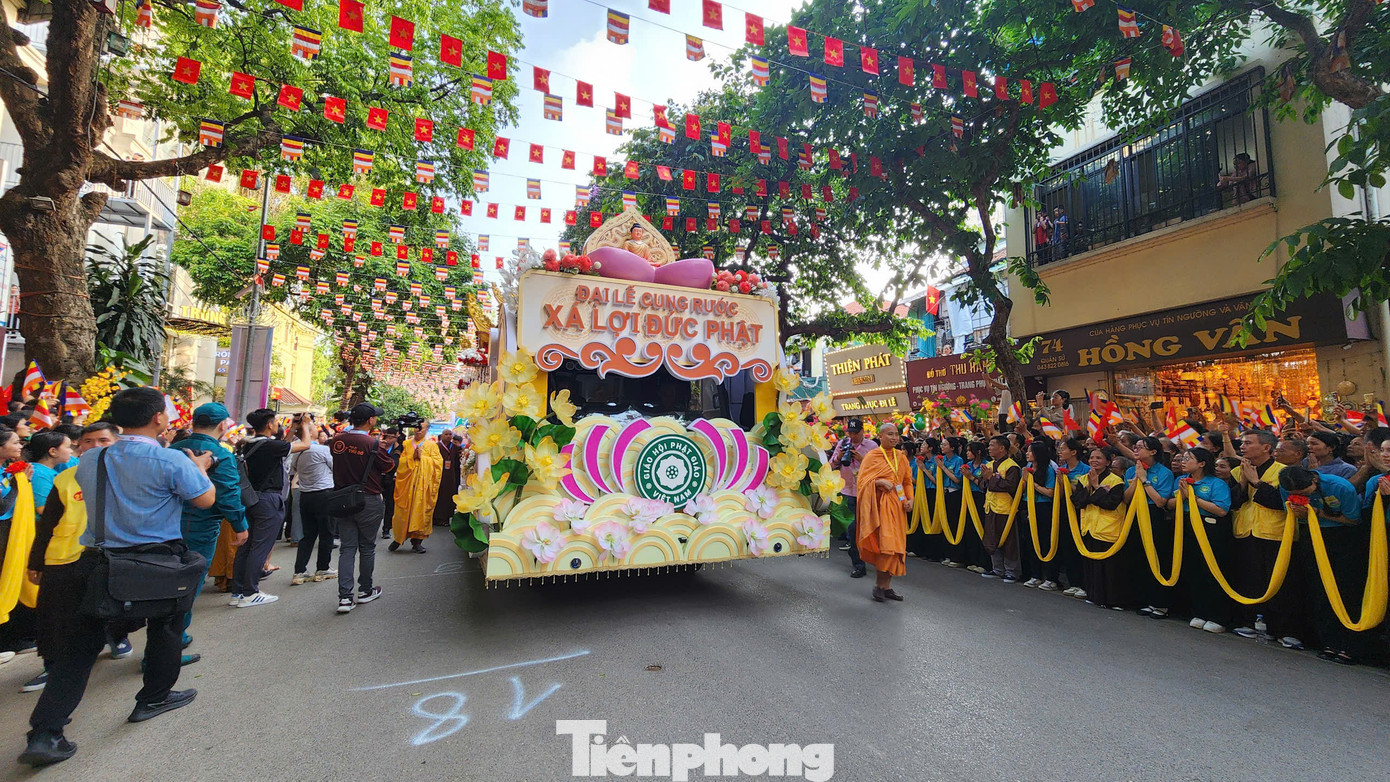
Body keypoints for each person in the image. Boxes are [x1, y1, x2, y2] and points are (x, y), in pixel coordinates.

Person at [20, 387, 215, 767]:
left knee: (79, 649)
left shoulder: (92, 459)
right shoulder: (172, 460)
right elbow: (205, 500)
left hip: (97, 563)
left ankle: (46, 733)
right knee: (167, 627)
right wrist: (199, 469)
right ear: (159, 418)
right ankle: (154, 697)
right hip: (156, 564)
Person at [25, 424, 125, 696]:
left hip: (111, 557)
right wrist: (36, 562)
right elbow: (47, 525)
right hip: (63, 557)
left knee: (110, 608)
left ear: (117, 443)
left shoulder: (130, 476)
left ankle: (117, 638)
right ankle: (52, 665)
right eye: (87, 441)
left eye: (103, 440)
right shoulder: (66, 479)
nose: (94, 446)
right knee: (53, 616)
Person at [168, 404, 248, 646]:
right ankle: (173, 641)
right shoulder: (221, 454)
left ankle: (166, 640)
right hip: (200, 526)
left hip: (165, 525)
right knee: (189, 584)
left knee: (167, 583)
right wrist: (240, 525)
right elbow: (229, 495)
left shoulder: (173, 449)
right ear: (223, 425)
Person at [1280, 465, 1367, 664]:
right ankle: (1328, 642)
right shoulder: (1286, 487)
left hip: (1343, 537)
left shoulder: (1339, 487)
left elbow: (1353, 520)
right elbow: (1289, 510)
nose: (1299, 495)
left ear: (1314, 480)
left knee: (1346, 590)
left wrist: (1318, 513)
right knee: (1318, 589)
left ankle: (1349, 646)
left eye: (1303, 493)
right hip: (1312, 534)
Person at [1230, 429, 1307, 648]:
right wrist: (1244, 482)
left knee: (1283, 584)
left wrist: (1256, 483)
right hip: (1246, 531)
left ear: (1266, 447)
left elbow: (1283, 504)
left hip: (1276, 534)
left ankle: (1286, 629)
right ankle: (1250, 621)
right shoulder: (1238, 471)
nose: (1243, 447)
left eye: (1248, 443)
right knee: (1250, 579)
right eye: (1242, 443)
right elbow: (1235, 502)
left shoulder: (1285, 472)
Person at [229, 409, 311, 607]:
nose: (277, 424)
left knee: (247, 546)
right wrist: (306, 426)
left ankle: (238, 592)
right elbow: (306, 444)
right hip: (269, 500)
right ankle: (251, 592)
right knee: (260, 547)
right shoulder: (271, 446)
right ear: (269, 425)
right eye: (275, 421)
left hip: (251, 498)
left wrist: (292, 429)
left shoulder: (245, 444)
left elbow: (284, 445)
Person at [328, 403, 392, 614]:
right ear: (370, 420)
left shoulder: (336, 441)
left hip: (342, 498)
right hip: (368, 499)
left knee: (347, 548)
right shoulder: (373, 444)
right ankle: (365, 590)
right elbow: (389, 466)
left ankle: (345, 598)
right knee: (367, 546)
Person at [1169, 449, 1234, 633]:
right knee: (1193, 570)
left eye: (1188, 459)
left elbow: (1221, 510)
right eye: (1183, 458)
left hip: (1210, 528)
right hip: (1186, 526)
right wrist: (1181, 496)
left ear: (1202, 463)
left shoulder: (1216, 483)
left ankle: (1218, 616)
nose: (1183, 461)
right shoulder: (1180, 481)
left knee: (1211, 571)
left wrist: (1194, 498)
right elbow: (1169, 504)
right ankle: (1199, 611)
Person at [855, 423, 912, 602]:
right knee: (886, 547)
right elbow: (862, 483)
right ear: (880, 436)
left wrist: (910, 499)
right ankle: (879, 586)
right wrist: (879, 483)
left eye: (896, 435)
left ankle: (886, 587)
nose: (894, 438)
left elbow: (907, 482)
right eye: (890, 434)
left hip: (898, 507)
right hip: (879, 508)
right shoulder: (872, 456)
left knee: (896, 548)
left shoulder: (901, 457)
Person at [1123, 436, 1178, 618]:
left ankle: (1160, 603)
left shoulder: (1164, 473)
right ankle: (1142, 599)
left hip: (1154, 514)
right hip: (1134, 513)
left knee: (1157, 558)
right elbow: (1126, 498)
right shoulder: (1131, 470)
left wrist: (1145, 481)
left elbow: (1161, 500)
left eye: (1141, 447)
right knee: (1138, 557)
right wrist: (1137, 480)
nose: (1136, 450)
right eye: (1135, 447)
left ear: (1153, 452)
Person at [1073, 446, 1129, 610]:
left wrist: (1097, 487)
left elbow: (1110, 503)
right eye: (1092, 458)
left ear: (1107, 461)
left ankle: (1113, 600)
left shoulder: (1115, 480)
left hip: (1108, 527)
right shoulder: (1083, 479)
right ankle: (1094, 595)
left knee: (1109, 567)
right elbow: (1079, 501)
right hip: (1089, 526)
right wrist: (1091, 488)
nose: (1094, 461)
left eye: (1098, 458)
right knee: (1091, 564)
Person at [0, 426, 38, 659]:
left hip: (10, 532)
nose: (20, 446)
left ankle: (17, 637)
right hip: (2, 534)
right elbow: (2, 506)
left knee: (15, 579)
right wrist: (18, 484)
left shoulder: (6, 470)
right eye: (15, 442)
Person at [288, 416, 336, 585]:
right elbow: (334, 467)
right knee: (326, 532)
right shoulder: (322, 451)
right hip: (324, 494)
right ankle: (322, 568)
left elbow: (293, 469)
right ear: (309, 432)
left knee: (307, 535)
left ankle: (299, 571)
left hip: (306, 495)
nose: (317, 429)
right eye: (313, 427)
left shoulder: (297, 452)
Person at [830, 418, 876, 578]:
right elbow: (831, 465)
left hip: (866, 492)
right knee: (854, 528)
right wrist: (839, 457)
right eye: (850, 432)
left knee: (863, 529)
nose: (852, 436)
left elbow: (878, 467)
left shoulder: (872, 446)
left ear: (862, 431)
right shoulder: (843, 443)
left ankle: (870, 556)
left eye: (855, 433)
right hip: (848, 491)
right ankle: (858, 564)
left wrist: (862, 459)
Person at [391, 425, 442, 554]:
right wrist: (411, 458)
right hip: (407, 483)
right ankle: (398, 538)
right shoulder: (406, 443)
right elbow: (400, 461)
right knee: (402, 511)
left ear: (427, 430)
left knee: (420, 511)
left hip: (422, 486)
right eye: (417, 427)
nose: (418, 430)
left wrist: (423, 458)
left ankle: (417, 542)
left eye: (422, 428)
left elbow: (438, 463)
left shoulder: (432, 445)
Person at [1022, 439, 1061, 591]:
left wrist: (1033, 483)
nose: (1027, 453)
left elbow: (1050, 492)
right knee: (1030, 541)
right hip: (1028, 505)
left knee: (1045, 541)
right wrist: (1025, 481)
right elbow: (1022, 488)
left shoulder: (1049, 469)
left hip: (1043, 506)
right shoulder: (1027, 467)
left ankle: (1051, 577)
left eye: (1031, 451)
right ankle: (1035, 575)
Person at [1055, 437, 1090, 598]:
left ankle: (1084, 583)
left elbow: (1083, 492)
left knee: (1080, 547)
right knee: (1067, 545)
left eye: (1063, 449)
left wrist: (1068, 482)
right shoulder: (1061, 469)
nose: (1060, 452)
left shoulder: (1085, 470)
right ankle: (1073, 582)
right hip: (1064, 510)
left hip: (1080, 512)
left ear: (1074, 452)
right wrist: (1061, 481)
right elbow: (1061, 493)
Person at [433, 428, 462, 527]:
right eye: (446, 434)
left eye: (450, 434)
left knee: (449, 497)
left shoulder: (455, 447)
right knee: (439, 496)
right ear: (441, 436)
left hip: (451, 477)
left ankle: (445, 518)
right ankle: (436, 518)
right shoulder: (436, 447)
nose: (449, 436)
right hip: (439, 476)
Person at [379, 428, 402, 540]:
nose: (388, 440)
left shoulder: (399, 449)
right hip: (377, 478)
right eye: (387, 437)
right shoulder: (379, 447)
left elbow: (397, 463)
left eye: (391, 437)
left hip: (391, 479)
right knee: (377, 504)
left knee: (389, 504)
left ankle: (386, 528)